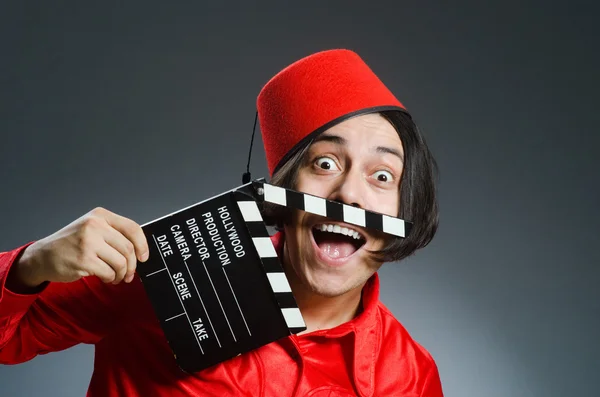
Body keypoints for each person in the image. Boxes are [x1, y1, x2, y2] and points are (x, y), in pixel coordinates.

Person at [0, 49, 443, 396]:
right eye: (325, 163)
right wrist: (30, 266)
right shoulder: (158, 276)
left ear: (403, 212)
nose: (348, 193)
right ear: (284, 193)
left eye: (382, 176)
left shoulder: (411, 377)